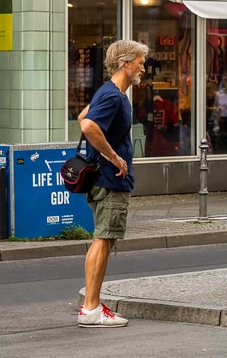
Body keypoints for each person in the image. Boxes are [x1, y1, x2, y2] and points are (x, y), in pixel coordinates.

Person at [76, 39, 149, 328]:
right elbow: (88, 125)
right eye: (140, 61)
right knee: (103, 239)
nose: (143, 66)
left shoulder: (109, 93)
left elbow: (84, 115)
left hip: (104, 179)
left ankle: (92, 305)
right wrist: (115, 157)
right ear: (126, 63)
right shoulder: (115, 96)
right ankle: (91, 308)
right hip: (109, 180)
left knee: (104, 239)